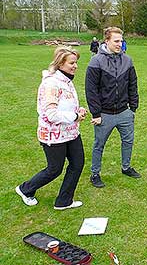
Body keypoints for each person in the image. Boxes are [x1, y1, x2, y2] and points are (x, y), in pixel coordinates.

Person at [15, 46, 87, 210]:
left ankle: (64, 201)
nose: (75, 66)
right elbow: (51, 115)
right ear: (60, 63)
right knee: (54, 169)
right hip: (53, 135)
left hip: (71, 133)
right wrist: (75, 117)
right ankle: (25, 189)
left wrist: (78, 110)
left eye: (76, 62)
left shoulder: (66, 81)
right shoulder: (51, 84)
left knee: (77, 163)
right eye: (72, 63)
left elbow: (64, 106)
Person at [85, 27, 140, 188]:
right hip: (104, 114)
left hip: (124, 112)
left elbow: (133, 84)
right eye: (116, 41)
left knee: (128, 141)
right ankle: (95, 174)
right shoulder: (96, 61)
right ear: (106, 41)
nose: (119, 44)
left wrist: (133, 107)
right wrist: (96, 113)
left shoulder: (127, 60)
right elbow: (91, 90)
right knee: (99, 145)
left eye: (121, 41)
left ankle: (126, 167)